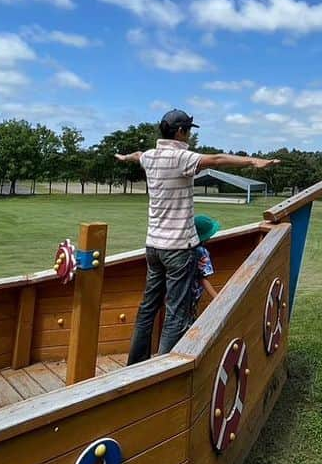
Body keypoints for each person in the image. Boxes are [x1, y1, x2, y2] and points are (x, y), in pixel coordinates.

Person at [116, 108, 279, 364]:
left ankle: (134, 365)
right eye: (189, 130)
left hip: (153, 248)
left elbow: (138, 155)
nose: (190, 136)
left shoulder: (149, 156)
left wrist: (126, 157)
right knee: (176, 315)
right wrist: (253, 162)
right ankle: (161, 372)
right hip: (178, 250)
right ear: (180, 131)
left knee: (148, 308)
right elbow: (215, 160)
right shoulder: (182, 157)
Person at [189, 215, 220, 324]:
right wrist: (218, 299)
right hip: (191, 298)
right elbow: (203, 279)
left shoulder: (184, 249)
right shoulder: (202, 252)